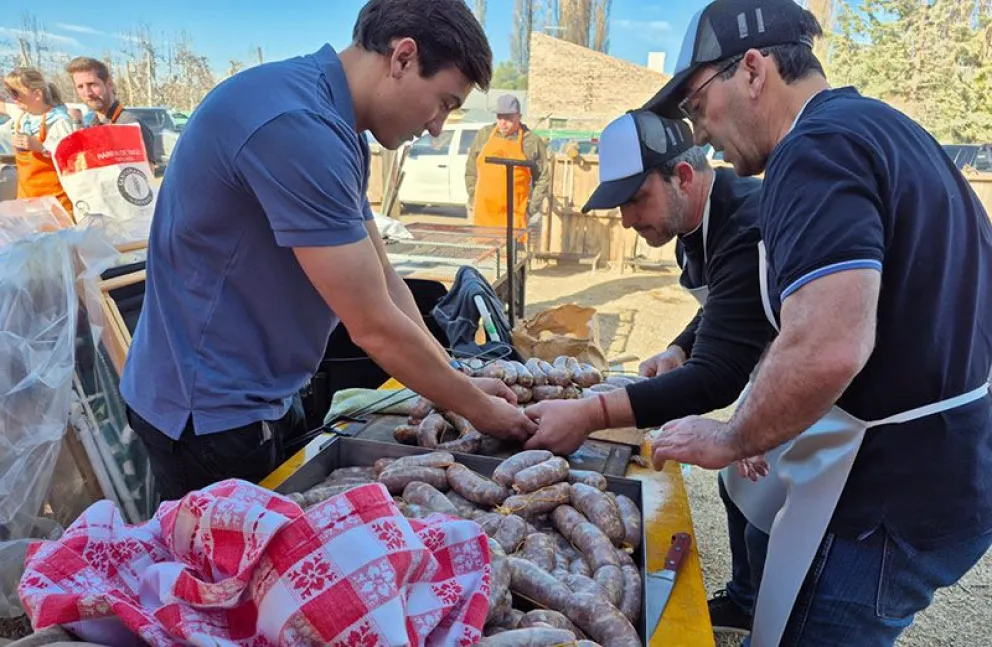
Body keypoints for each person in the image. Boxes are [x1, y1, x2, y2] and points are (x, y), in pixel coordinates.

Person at [644, 0, 992, 645]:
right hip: (955, 464)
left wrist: (733, 437)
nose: (701, 132)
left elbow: (829, 343)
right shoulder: (883, 126)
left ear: (752, 70)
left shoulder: (814, 149)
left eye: (697, 106)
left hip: (892, 490)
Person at [119, 0, 537, 502]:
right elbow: (373, 325)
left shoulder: (337, 129)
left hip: (261, 393)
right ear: (403, 57)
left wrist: (455, 377)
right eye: (444, 102)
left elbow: (385, 281)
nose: (436, 127)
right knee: (225, 577)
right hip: (208, 416)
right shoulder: (298, 127)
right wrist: (480, 410)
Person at [465, 93, 548, 229]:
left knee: (511, 250)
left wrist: (530, 209)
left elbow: (543, 178)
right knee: (484, 250)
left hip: (515, 215)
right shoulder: (484, 135)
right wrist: (473, 197)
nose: (503, 123)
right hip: (482, 211)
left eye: (509, 118)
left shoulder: (532, 142)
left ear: (519, 117)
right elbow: (471, 170)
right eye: (499, 117)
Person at [1, 68, 74, 217]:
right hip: (28, 202)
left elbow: (72, 160)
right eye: (10, 93)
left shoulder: (60, 122)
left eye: (16, 93)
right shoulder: (23, 116)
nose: (13, 98)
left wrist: (40, 148)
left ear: (37, 94)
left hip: (56, 204)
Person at [65, 57, 157, 168]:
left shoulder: (129, 124)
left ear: (108, 83)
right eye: (80, 87)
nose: (87, 93)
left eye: (92, 84)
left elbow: (145, 177)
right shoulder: (92, 127)